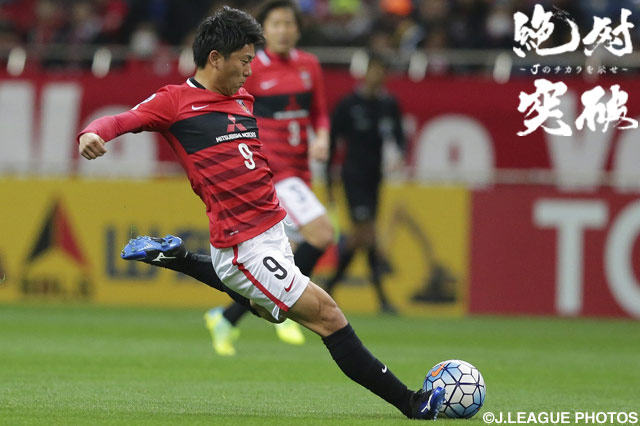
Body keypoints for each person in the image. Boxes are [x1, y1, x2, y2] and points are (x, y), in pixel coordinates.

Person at [77, 6, 444, 420]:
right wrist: (91, 133)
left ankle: (179, 258)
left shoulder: (243, 98)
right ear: (215, 58)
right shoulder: (175, 101)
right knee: (328, 315)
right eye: (245, 61)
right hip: (243, 245)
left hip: (272, 231)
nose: (250, 70)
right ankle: (412, 403)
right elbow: (121, 119)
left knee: (264, 310)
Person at [201, 0, 335, 356]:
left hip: (301, 171)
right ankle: (287, 303)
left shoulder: (309, 65)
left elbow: (320, 113)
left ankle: (226, 318)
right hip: (273, 173)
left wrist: (322, 137)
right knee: (323, 233)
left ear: (298, 29)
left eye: (289, 23)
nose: (283, 30)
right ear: (264, 30)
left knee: (285, 255)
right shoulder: (252, 68)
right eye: (276, 24)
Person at [324, 52, 406, 314]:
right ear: (366, 72)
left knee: (362, 238)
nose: (377, 76)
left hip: (375, 178)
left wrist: (400, 154)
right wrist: (328, 181)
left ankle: (329, 287)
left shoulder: (388, 104)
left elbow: (399, 135)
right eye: (374, 70)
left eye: (382, 71)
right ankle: (382, 298)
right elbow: (331, 142)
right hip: (353, 176)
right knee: (368, 233)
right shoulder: (349, 104)